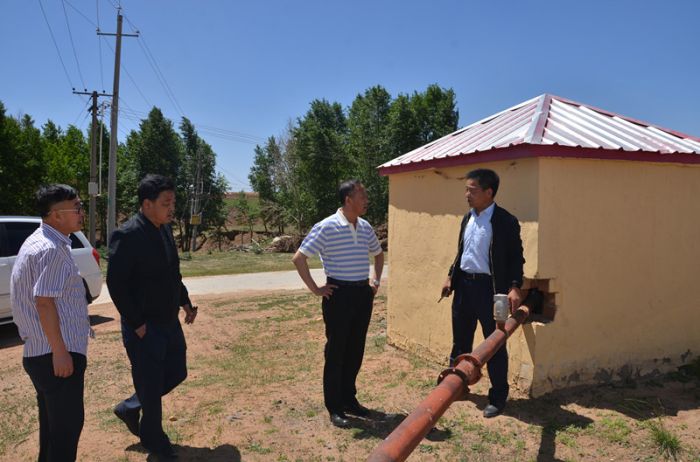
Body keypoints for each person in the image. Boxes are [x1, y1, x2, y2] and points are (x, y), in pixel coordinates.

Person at [107, 174, 197, 460]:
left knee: (177, 372)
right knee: (150, 381)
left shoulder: (165, 230)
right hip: (144, 326)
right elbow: (116, 285)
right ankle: (155, 442)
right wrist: (137, 324)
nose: (172, 209)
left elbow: (173, 273)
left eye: (173, 203)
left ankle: (130, 407)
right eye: (166, 203)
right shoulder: (127, 235)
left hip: (168, 320)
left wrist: (185, 302)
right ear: (147, 204)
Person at [292, 180, 384, 428]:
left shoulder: (365, 226)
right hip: (339, 295)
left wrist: (375, 281)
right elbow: (299, 258)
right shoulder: (326, 226)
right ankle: (334, 407)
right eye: (362, 196)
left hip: (362, 294)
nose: (366, 200)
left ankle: (349, 399)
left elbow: (378, 254)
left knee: (355, 350)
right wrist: (316, 289)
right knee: (336, 352)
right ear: (348, 200)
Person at [11, 184, 91, 461]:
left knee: (53, 431)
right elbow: (44, 302)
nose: (82, 212)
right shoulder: (52, 248)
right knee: (65, 433)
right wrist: (59, 352)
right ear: (57, 215)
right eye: (77, 207)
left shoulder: (38, 242)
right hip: (56, 355)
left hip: (41, 352)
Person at [441, 168, 525, 418]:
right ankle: (457, 386)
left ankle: (498, 397)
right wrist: (451, 276)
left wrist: (514, 286)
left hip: (491, 290)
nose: (467, 194)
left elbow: (516, 258)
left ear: (489, 192)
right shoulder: (467, 218)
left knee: (494, 345)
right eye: (466, 189)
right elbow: (463, 252)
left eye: (472, 190)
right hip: (464, 288)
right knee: (460, 341)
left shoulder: (505, 221)